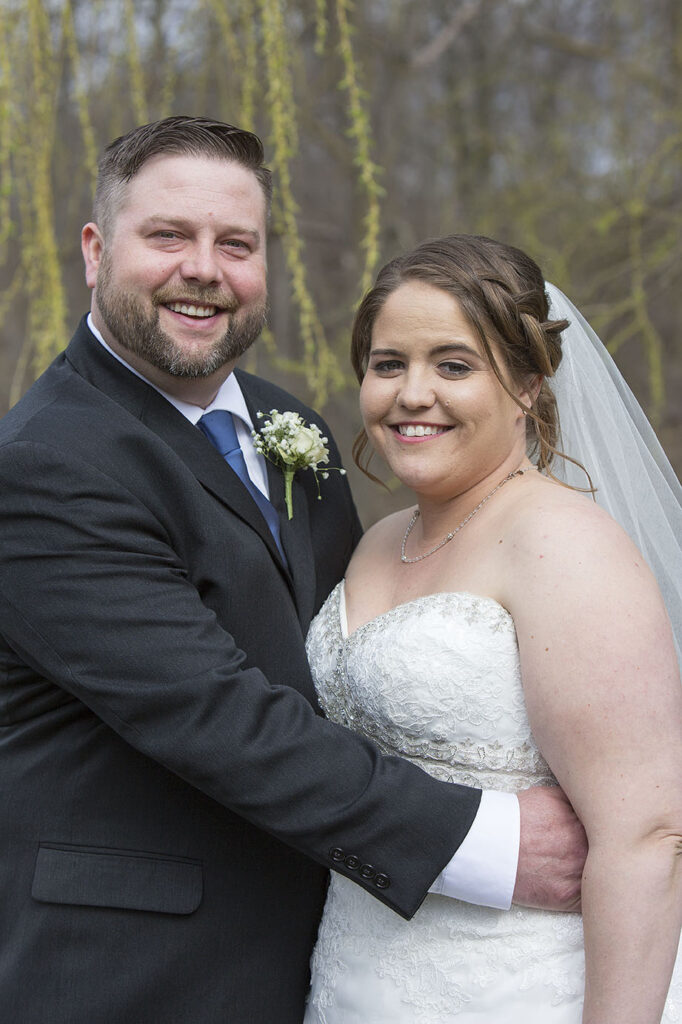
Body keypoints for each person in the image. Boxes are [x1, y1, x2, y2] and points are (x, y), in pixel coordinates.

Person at [0, 121, 585, 1022]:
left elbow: (346, 653)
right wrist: (489, 840)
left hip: (338, 956)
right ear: (95, 249)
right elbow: (216, 716)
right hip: (136, 975)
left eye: (236, 244)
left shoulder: (289, 427)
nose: (205, 269)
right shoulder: (47, 463)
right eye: (168, 236)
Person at [303, 234, 682, 1023]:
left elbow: (646, 836)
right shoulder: (379, 539)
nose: (412, 394)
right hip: (352, 975)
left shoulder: (562, 543)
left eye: (453, 365)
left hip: (516, 987)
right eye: (388, 364)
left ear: (528, 386)